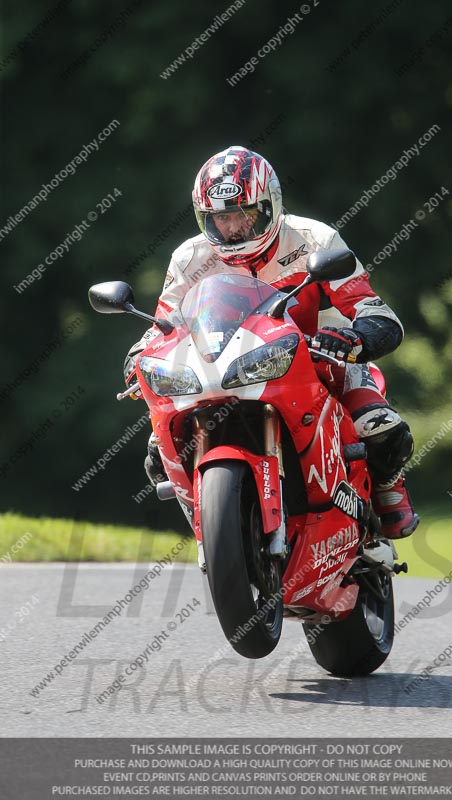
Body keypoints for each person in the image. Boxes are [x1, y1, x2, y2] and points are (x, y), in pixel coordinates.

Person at [124, 145, 419, 539]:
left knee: (379, 426)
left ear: (269, 205)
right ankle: (214, 522)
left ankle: (388, 491)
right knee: (159, 450)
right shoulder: (189, 257)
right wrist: (139, 354)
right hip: (222, 368)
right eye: (221, 218)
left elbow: (372, 309)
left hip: (320, 354)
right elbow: (163, 323)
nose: (233, 228)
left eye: (243, 214)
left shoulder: (315, 238)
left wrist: (356, 336)